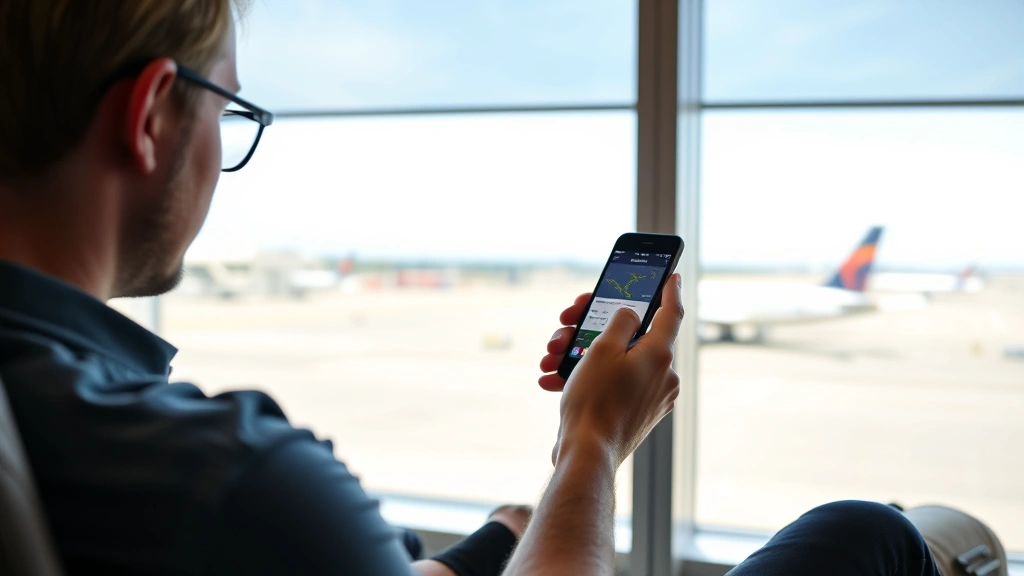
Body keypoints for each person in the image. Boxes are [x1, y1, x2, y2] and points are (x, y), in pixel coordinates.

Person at [0, 1, 943, 575]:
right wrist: (592, 447)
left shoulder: (65, 425)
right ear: (152, 115)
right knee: (869, 537)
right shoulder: (230, 477)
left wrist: (498, 544)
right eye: (229, 111)